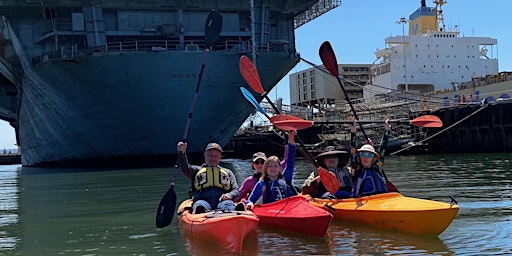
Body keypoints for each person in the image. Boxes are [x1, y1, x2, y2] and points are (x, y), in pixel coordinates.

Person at [177, 142, 240, 214]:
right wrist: (182, 153)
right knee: (199, 206)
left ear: (220, 157)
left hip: (222, 202)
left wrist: (229, 195)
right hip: (203, 201)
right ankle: (199, 214)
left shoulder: (228, 172)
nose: (213, 158)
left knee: (229, 205)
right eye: (210, 155)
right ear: (205, 155)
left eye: (216, 156)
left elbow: (236, 191)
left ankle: (232, 212)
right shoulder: (196, 171)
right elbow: (185, 168)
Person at [244, 130, 297, 210]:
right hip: (270, 211)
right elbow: (250, 199)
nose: (273, 169)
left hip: (288, 209)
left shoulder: (286, 177)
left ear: (280, 168)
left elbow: (290, 159)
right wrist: (250, 203)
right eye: (270, 166)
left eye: (275, 166)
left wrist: (291, 139)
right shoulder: (261, 183)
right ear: (265, 169)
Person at [349, 118, 391, 197]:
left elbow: (383, 148)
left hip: (379, 199)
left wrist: (387, 131)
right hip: (361, 200)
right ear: (359, 156)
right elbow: (353, 150)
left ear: (373, 158)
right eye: (363, 154)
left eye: (370, 155)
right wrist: (353, 131)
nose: (366, 158)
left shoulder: (377, 168)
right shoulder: (356, 169)